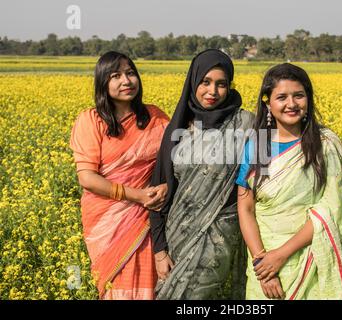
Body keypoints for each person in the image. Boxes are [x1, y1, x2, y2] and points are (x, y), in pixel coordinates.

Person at [236, 63, 342, 300]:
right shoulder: (258, 146)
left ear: (308, 98)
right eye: (282, 97)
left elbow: (330, 210)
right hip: (264, 267)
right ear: (268, 103)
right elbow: (245, 208)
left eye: (299, 95)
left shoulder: (325, 144)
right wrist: (262, 263)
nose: (291, 104)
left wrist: (281, 255)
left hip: (313, 259)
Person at [149, 49, 255, 299]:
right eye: (205, 82)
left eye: (221, 84)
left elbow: (289, 142)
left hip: (222, 239)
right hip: (177, 240)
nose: (213, 91)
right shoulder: (179, 129)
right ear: (193, 82)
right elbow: (158, 193)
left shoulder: (246, 123)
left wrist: (331, 162)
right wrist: (160, 251)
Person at [70, 51, 169, 299]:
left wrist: (166, 187)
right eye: (116, 76)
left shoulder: (156, 118)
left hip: (148, 218)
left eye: (130, 73)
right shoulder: (90, 121)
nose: (126, 81)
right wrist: (136, 195)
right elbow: (87, 178)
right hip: (109, 221)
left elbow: (177, 163)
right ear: (103, 82)